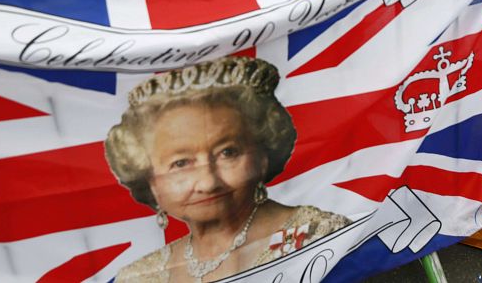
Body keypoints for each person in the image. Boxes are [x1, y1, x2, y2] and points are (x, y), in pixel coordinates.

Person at [106, 55, 350, 281]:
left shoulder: (307, 236)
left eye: (227, 153)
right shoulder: (140, 277)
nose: (208, 182)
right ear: (152, 182)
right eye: (181, 163)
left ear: (263, 155)